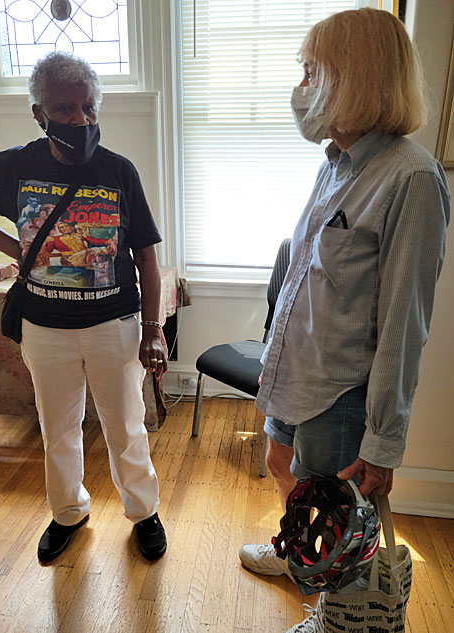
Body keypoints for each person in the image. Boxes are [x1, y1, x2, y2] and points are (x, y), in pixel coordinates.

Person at [238, 8, 450, 631]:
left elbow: (404, 325)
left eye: (312, 71)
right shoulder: (335, 161)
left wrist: (383, 443)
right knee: (285, 473)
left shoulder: (410, 177)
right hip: (294, 373)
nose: (302, 85)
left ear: (354, 78)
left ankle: (333, 611)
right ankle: (301, 558)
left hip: (342, 395)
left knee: (339, 524)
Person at [0, 51, 169, 563]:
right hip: (44, 328)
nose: (80, 120)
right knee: (58, 430)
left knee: (126, 426)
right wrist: (16, 251)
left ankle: (144, 512)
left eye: (88, 108)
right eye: (65, 108)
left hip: (113, 324)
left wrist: (153, 329)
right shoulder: (15, 167)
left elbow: (146, 259)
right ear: (39, 113)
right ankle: (68, 512)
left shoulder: (120, 171)